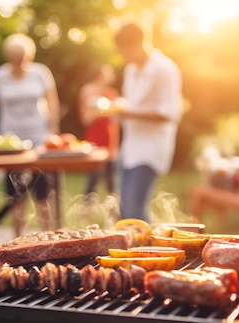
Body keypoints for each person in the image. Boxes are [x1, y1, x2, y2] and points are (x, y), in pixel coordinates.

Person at [0, 33, 61, 237]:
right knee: (16, 195)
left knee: (43, 194)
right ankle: (18, 240)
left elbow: (53, 103)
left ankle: (48, 239)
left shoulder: (40, 73)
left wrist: (53, 131)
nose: (19, 61)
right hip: (11, 145)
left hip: (39, 140)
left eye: (23, 56)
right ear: (8, 56)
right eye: (15, 57)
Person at [112, 22, 183, 221]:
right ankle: (133, 251)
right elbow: (130, 105)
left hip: (151, 148)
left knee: (135, 209)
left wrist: (127, 111)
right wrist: (117, 110)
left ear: (138, 43)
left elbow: (170, 112)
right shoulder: (130, 70)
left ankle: (149, 252)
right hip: (129, 147)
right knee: (125, 211)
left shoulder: (164, 69)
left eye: (124, 50)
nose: (123, 56)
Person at [77, 63, 120, 198]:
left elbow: (117, 119)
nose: (111, 75)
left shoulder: (111, 93)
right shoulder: (88, 91)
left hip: (110, 142)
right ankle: (86, 213)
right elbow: (85, 119)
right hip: (95, 141)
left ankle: (114, 215)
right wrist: (97, 111)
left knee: (111, 183)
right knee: (93, 180)